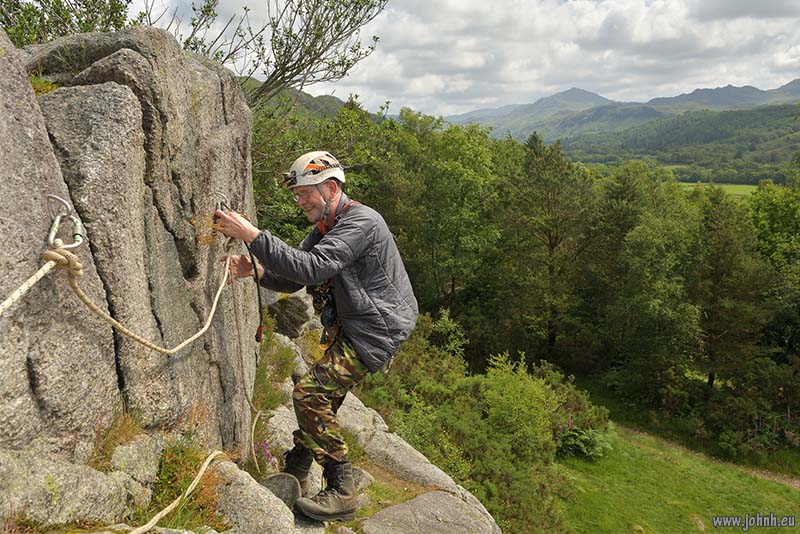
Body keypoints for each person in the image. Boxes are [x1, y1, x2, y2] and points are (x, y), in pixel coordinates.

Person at [214, 150, 418, 522]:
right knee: (325, 398)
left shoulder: (361, 223)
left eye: (306, 192)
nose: (300, 201)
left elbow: (313, 267)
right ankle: (297, 468)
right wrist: (255, 271)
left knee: (309, 394)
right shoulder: (327, 228)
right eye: (297, 195)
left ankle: (342, 489)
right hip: (358, 325)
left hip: (376, 329)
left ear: (331, 187)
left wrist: (252, 235)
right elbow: (296, 276)